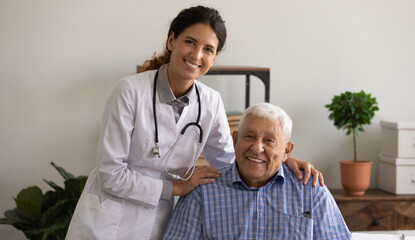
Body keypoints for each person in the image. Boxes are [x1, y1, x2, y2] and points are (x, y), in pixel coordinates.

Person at [65, 6, 323, 240]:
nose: (197, 55)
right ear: (171, 40)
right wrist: (176, 187)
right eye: (190, 42)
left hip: (157, 223)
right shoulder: (130, 90)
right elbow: (111, 174)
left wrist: (281, 159)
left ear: (215, 56)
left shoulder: (210, 102)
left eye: (208, 49)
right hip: (105, 222)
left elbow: (230, 160)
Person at [163, 103, 351, 240]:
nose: (256, 148)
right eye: (249, 136)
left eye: (269, 141)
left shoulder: (311, 191)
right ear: (235, 140)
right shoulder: (202, 192)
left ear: (286, 151)